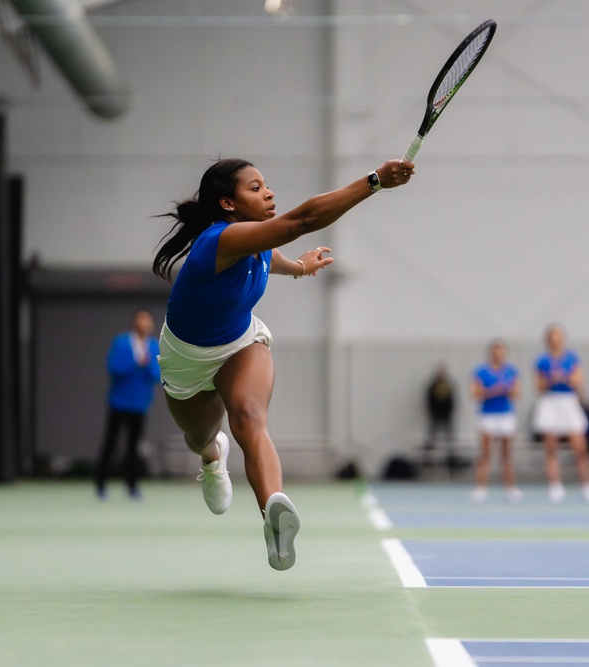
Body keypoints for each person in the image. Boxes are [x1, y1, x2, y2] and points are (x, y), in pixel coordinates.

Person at [152, 156, 415, 570]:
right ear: (227, 204)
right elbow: (302, 220)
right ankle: (210, 457)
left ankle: (273, 516)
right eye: (254, 188)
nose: (269, 192)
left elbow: (269, 255)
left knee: (249, 417)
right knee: (199, 436)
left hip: (240, 343)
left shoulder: (252, 243)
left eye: (266, 185)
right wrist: (374, 181)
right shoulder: (218, 241)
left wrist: (299, 267)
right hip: (186, 359)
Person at [94, 309, 161, 500]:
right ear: (135, 322)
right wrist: (136, 362)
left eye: (147, 320)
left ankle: (132, 486)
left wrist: (146, 364)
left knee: (134, 447)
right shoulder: (121, 342)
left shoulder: (154, 346)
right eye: (141, 319)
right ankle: (101, 484)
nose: (145, 323)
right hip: (118, 402)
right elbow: (113, 368)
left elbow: (156, 374)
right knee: (111, 443)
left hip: (140, 404)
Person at [532, 324, 589, 504]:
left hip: (568, 401)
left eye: (559, 336)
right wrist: (550, 380)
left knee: (580, 448)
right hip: (550, 401)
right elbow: (538, 386)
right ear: (549, 339)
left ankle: (588, 486)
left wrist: (562, 377)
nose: (556, 339)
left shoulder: (571, 358)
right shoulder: (542, 361)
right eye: (553, 336)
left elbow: (578, 381)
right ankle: (555, 487)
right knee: (551, 448)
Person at [470, 340, 522, 504]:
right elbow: (475, 393)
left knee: (507, 454)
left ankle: (510, 489)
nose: (498, 354)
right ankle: (480, 488)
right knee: (485, 453)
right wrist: (492, 391)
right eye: (495, 351)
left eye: (501, 351)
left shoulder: (511, 371)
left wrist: (506, 390)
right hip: (488, 415)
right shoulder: (481, 371)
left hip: (506, 414)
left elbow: (516, 393)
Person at [423, 363, 458, 472]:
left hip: (446, 415)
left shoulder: (448, 385)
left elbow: (452, 400)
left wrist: (449, 412)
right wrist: (433, 412)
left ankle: (451, 459)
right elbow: (429, 400)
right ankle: (427, 460)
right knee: (432, 436)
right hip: (435, 415)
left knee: (449, 437)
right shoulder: (433, 385)